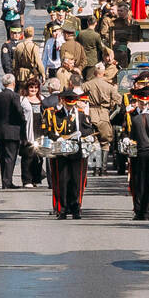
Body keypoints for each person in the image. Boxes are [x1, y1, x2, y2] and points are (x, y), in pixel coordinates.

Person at [43, 89, 94, 219]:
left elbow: (88, 130)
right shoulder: (56, 115)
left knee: (76, 181)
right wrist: (57, 138)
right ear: (63, 101)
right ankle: (62, 209)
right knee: (62, 181)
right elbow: (49, 131)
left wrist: (85, 135)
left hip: (76, 151)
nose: (70, 106)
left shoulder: (80, 115)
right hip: (61, 151)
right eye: (68, 102)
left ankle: (76, 208)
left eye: (72, 103)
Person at [128, 86, 149, 221]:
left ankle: (138, 212)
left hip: (138, 154)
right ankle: (148, 212)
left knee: (139, 183)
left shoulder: (136, 119)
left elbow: (132, 138)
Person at [0, 73, 27, 190]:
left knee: (2, 157)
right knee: (10, 157)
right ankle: (7, 181)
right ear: (13, 83)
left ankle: (4, 179)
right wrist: (23, 120)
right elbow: (18, 110)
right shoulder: (14, 96)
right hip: (13, 130)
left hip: (1, 130)